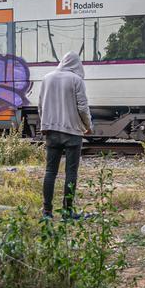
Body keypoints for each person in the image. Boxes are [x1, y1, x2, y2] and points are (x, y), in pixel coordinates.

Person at [37, 51, 93, 220]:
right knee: (71, 173)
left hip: (51, 132)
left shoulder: (47, 78)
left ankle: (47, 212)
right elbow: (83, 107)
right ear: (77, 64)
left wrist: (46, 124)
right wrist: (88, 126)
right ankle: (67, 212)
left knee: (50, 171)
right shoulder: (76, 80)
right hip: (72, 133)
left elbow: (40, 106)